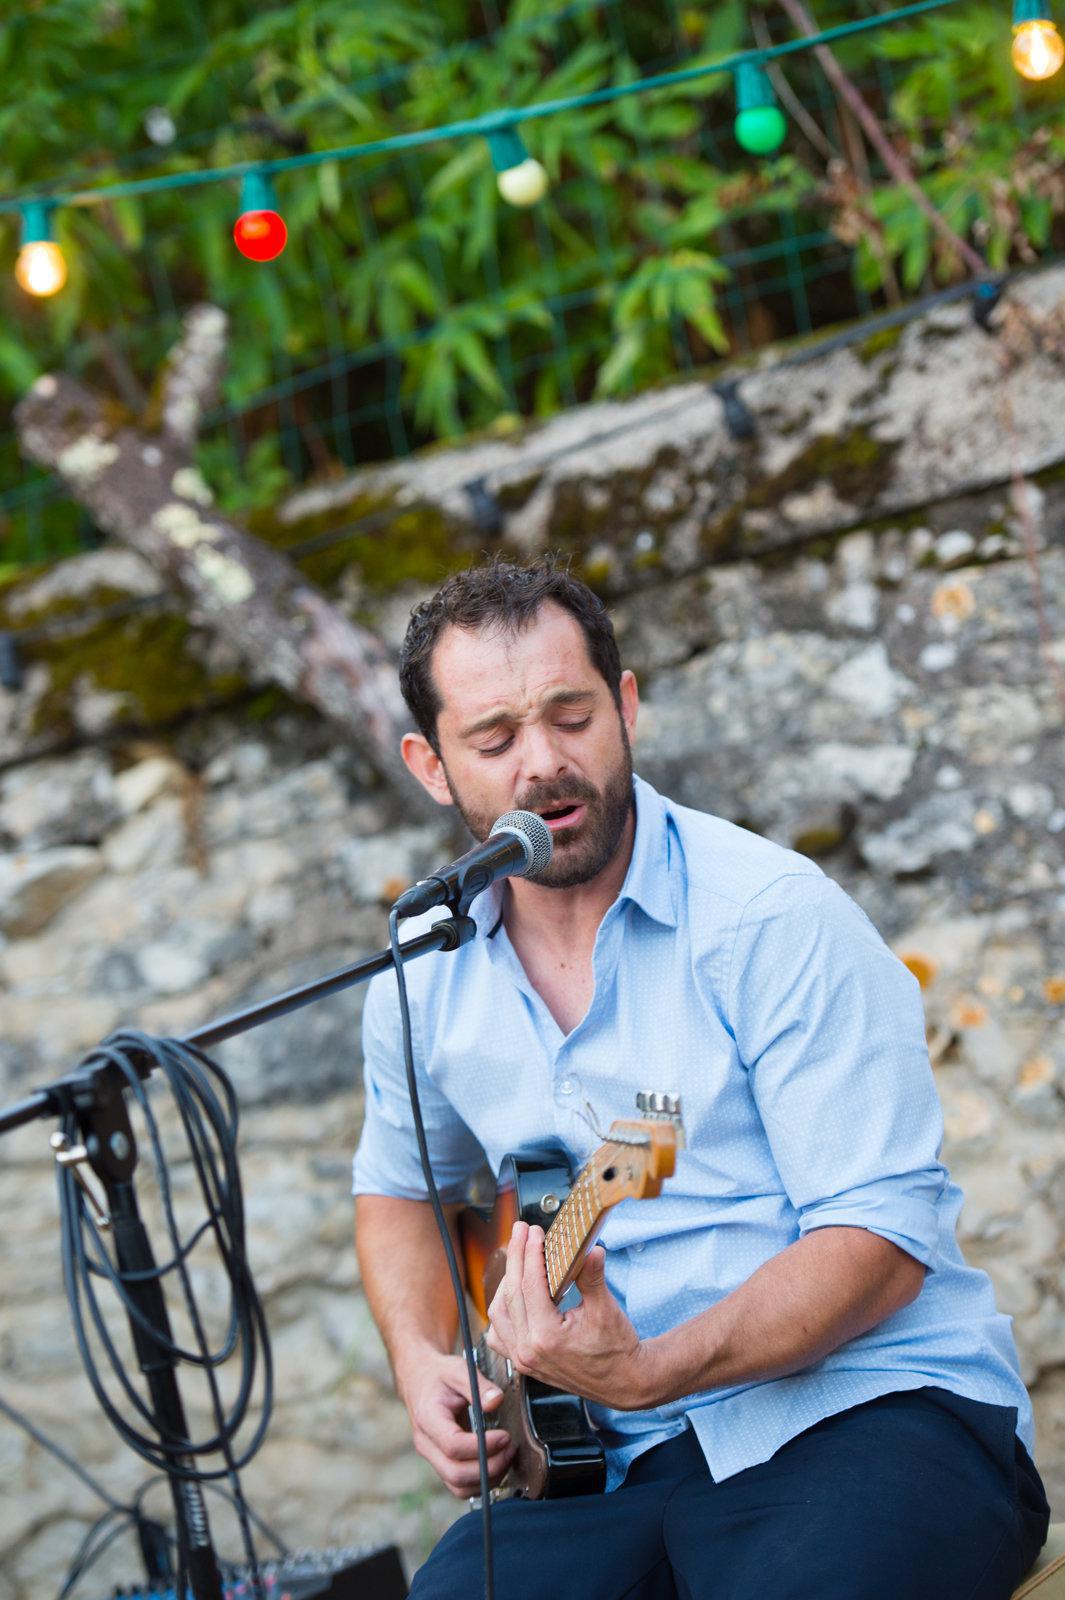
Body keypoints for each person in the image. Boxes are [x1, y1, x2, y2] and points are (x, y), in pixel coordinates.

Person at [352, 556, 1050, 1599]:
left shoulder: (773, 917)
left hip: (866, 1413)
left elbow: (876, 1240)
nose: (543, 763)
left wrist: (646, 1368)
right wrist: (423, 1361)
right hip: (603, 1463)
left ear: (627, 705)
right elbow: (400, 1189)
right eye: (495, 739)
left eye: (571, 714)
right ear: (431, 764)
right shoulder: (423, 976)